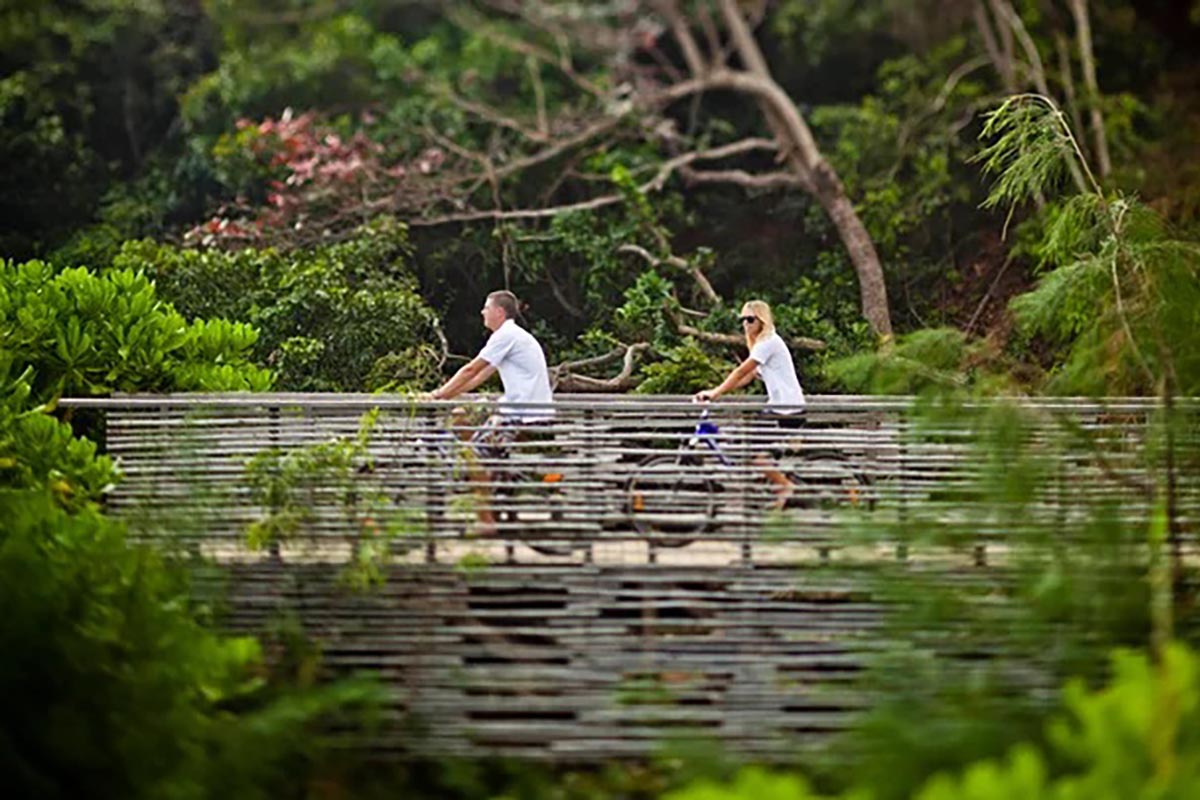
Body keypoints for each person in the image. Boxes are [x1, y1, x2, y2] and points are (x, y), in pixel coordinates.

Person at [428, 290, 554, 532]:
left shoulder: (506, 335)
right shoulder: (512, 336)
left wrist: (437, 395)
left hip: (519, 416)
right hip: (525, 413)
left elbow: (470, 370)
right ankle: (493, 496)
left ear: (499, 312)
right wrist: (446, 396)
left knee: (471, 456)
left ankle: (486, 521)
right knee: (463, 421)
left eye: (486, 307)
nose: (482, 312)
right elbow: (479, 377)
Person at [693, 300, 805, 508]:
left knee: (751, 450)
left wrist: (715, 393)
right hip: (779, 407)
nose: (746, 324)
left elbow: (741, 371)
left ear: (762, 320)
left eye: (750, 319)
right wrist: (721, 392)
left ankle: (784, 486)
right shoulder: (762, 345)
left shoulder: (769, 342)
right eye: (742, 320)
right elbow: (748, 376)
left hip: (787, 409)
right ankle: (773, 484)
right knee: (751, 445)